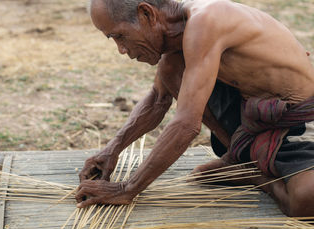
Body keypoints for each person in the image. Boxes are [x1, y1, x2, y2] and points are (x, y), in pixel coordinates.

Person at [75, 0, 314, 216]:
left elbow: (186, 124)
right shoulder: (178, 38)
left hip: (297, 123)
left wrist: (127, 189)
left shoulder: (206, 20)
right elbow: (158, 100)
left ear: (147, 13)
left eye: (120, 36)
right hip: (252, 116)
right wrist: (111, 150)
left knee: (304, 201)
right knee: (171, 67)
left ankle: (253, 173)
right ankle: (238, 157)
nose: (121, 49)